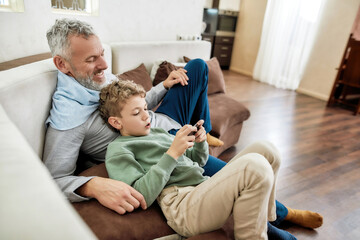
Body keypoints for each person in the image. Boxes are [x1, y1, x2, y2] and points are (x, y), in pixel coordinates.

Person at [43, 18, 322, 239]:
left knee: (197, 68)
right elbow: (53, 178)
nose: (104, 64)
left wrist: (162, 86)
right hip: (157, 143)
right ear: (62, 64)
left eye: (102, 54)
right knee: (244, 174)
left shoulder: (99, 76)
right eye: (91, 59)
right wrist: (92, 185)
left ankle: (203, 130)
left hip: (157, 121)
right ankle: (282, 216)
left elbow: (133, 103)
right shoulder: (68, 119)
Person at [99, 79, 281, 239]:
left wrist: (201, 141)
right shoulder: (119, 149)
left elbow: (198, 162)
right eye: (137, 113)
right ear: (116, 122)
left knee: (267, 150)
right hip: (182, 206)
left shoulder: (158, 132)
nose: (147, 115)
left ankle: (264, 220)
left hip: (203, 188)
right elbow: (141, 195)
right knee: (255, 166)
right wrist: (172, 154)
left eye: (146, 108)